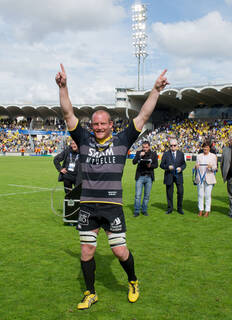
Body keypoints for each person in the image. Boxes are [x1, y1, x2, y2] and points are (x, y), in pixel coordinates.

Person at [55, 64, 168, 309]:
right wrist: (63, 87)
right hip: (88, 206)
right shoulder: (83, 139)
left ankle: (133, 280)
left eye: (103, 124)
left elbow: (144, 116)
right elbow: (68, 114)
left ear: (110, 125)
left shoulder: (122, 140)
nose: (98, 127)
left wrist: (155, 90)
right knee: (86, 251)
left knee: (119, 251)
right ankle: (90, 293)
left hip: (112, 207)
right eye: (95, 124)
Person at [160, 138, 186, 215]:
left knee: (180, 192)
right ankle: (170, 208)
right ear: (169, 146)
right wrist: (168, 167)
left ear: (177, 146)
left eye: (174, 145)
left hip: (179, 176)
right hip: (169, 176)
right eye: (171, 145)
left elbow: (184, 164)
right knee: (169, 193)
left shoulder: (181, 154)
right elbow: (161, 165)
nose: (173, 147)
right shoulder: (166, 154)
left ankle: (179, 208)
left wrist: (181, 168)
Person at [132, 141, 158, 217]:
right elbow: (133, 162)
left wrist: (151, 166)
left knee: (146, 196)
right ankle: (136, 211)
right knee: (137, 195)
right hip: (140, 176)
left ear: (149, 147)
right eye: (143, 147)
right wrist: (139, 156)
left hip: (149, 177)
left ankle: (144, 210)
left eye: (146, 147)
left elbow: (156, 165)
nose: (145, 149)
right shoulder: (138, 152)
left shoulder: (153, 154)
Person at [195, 141, 218, 217]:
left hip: (209, 178)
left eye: (207, 147)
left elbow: (215, 168)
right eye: (204, 147)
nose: (205, 148)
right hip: (200, 178)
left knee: (208, 195)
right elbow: (196, 166)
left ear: (209, 148)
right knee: (200, 195)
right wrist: (195, 167)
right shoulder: (199, 156)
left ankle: (207, 210)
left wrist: (211, 167)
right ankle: (200, 210)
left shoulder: (213, 156)